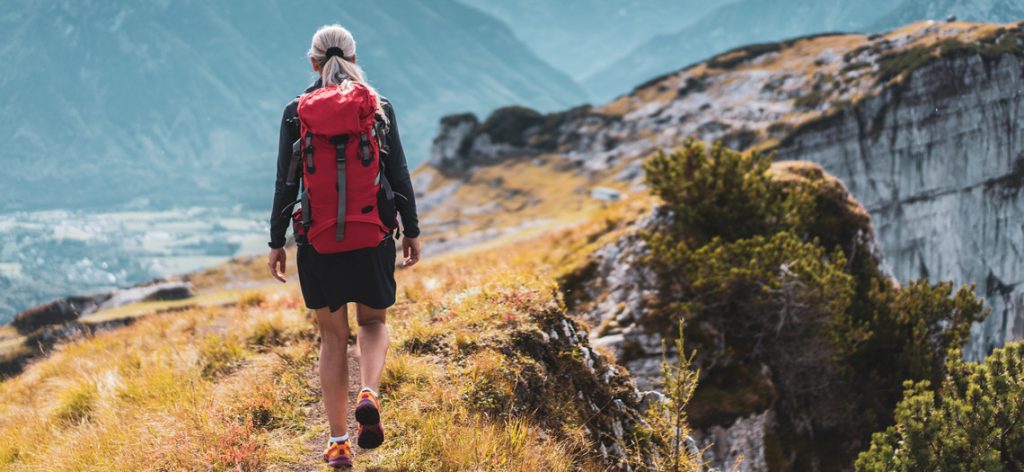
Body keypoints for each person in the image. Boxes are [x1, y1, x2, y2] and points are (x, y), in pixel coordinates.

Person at [266, 24, 421, 468]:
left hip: (317, 240)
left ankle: (337, 444)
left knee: (332, 339)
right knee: (373, 321)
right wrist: (411, 230)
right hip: (372, 234)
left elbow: (286, 183)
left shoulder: (297, 111)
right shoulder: (378, 107)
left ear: (313, 62)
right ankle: (368, 392)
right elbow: (399, 176)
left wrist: (277, 242)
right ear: (354, 58)